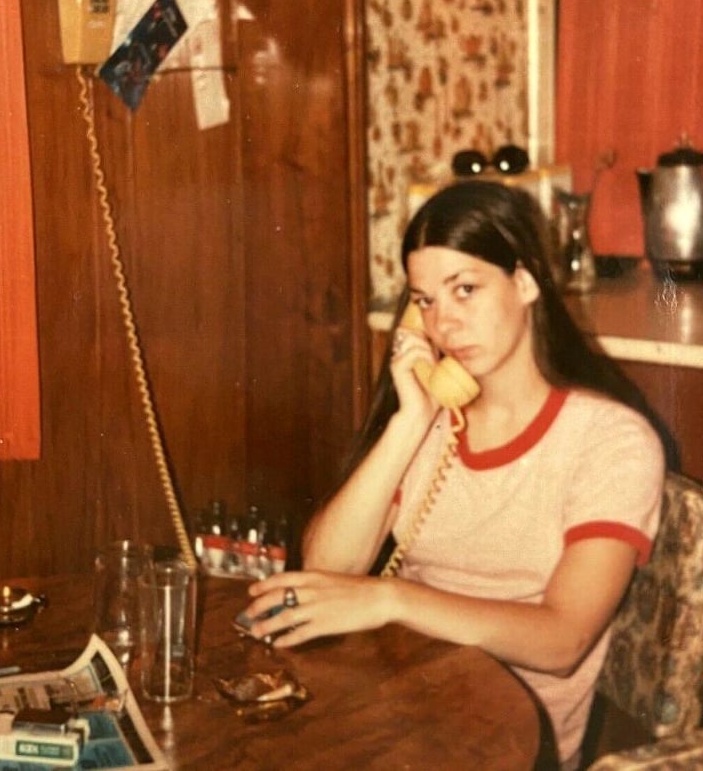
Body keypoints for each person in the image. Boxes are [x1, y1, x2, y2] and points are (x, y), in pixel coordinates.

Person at [242, 180, 666, 769]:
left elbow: (562, 641)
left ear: (524, 282)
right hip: (403, 712)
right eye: (425, 301)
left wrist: (391, 598)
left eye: (465, 290)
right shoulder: (430, 424)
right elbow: (325, 570)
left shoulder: (610, 441)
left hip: (505, 745)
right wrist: (408, 422)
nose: (444, 324)